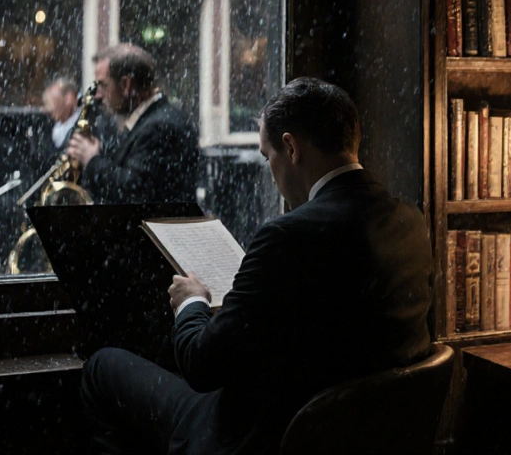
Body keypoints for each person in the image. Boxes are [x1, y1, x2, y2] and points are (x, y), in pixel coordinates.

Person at [81, 77, 434, 455]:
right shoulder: (411, 221)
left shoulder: (287, 236)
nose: (271, 171)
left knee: (103, 368)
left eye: (268, 157)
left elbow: (200, 364)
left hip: (264, 434)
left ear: (290, 148)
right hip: (362, 433)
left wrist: (191, 301)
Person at [65, 44, 200, 204]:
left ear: (125, 85)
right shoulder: (152, 119)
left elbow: (134, 191)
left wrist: (92, 160)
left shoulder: (160, 126)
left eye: (103, 85)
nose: (98, 95)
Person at [42, 76, 81, 152]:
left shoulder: (87, 122)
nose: (45, 110)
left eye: (49, 103)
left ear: (68, 98)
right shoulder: (48, 127)